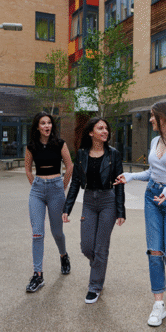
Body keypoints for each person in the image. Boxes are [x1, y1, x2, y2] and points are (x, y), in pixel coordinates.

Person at [114, 99, 166, 327]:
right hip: (152, 197)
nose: (150, 119)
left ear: (164, 117)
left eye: (153, 116)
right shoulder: (154, 141)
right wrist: (131, 176)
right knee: (155, 252)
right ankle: (158, 305)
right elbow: (153, 172)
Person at [62, 117, 126, 304]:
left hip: (108, 201)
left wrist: (121, 211)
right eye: (100, 128)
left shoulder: (114, 154)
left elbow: (119, 185)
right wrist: (67, 207)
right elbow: (75, 182)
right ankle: (98, 264)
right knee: (87, 246)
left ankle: (95, 286)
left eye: (106, 128)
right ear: (91, 133)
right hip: (89, 201)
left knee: (101, 248)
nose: (105, 131)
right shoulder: (81, 154)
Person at [24, 111, 73, 293]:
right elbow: (28, 169)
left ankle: (64, 255)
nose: (47, 126)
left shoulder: (59, 144)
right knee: (37, 233)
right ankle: (38, 275)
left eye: (49, 123)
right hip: (37, 191)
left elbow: (69, 166)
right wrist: (34, 184)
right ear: (37, 126)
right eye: (43, 123)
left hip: (56, 189)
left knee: (57, 231)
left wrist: (63, 186)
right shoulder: (31, 146)